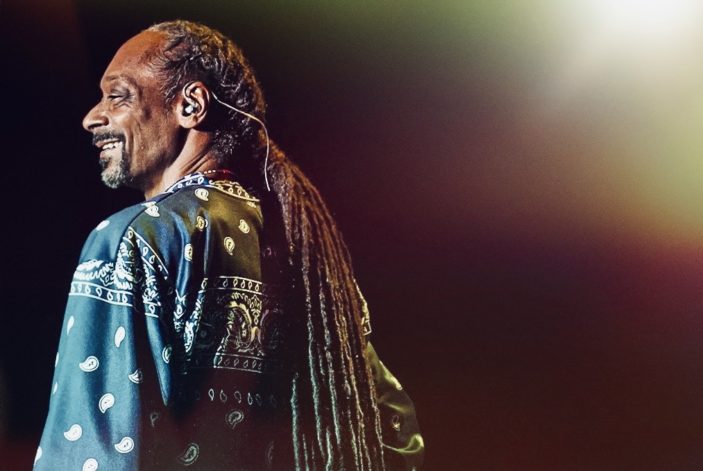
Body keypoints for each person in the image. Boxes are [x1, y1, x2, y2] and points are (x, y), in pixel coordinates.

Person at [36, 20, 423, 470]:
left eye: (118, 96)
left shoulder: (135, 239)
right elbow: (391, 432)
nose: (92, 117)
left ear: (190, 105)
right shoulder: (307, 251)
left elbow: (91, 452)